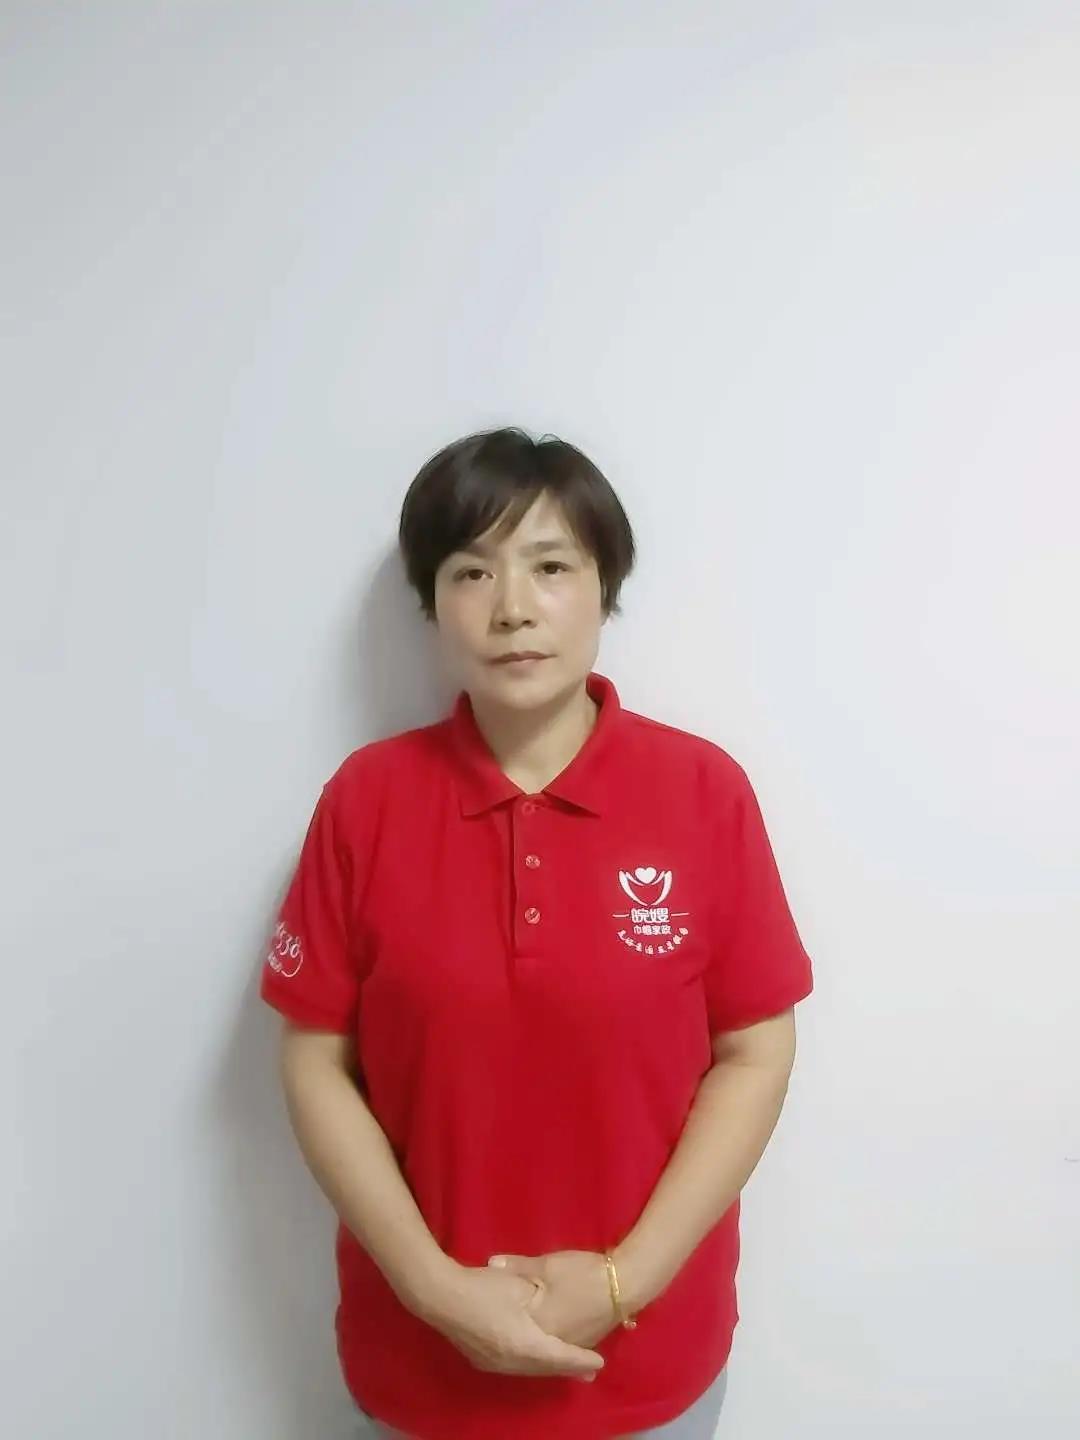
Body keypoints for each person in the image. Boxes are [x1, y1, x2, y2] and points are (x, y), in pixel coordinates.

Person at [259, 426, 814, 1440]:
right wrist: (433, 1288)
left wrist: (624, 1279)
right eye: (471, 572)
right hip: (419, 1369)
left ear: (605, 587)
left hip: (647, 1365)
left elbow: (756, 1050)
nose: (512, 606)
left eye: (551, 567)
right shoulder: (366, 802)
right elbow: (313, 1061)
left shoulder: (703, 793)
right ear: (432, 603)